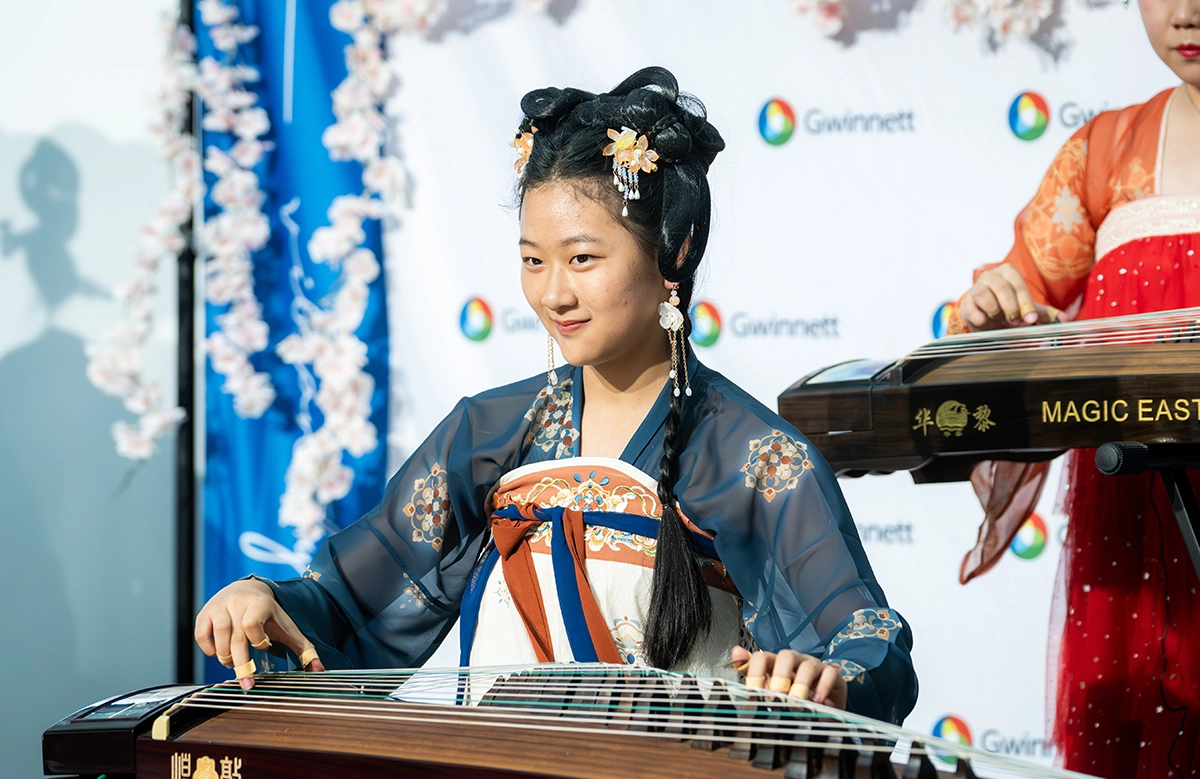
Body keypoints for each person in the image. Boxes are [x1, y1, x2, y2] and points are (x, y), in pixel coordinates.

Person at [195, 67, 918, 724]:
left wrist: (826, 676)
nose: (552, 292)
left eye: (582, 259)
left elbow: (865, 638)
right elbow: (351, 599)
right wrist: (266, 600)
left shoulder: (756, 458)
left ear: (675, 251)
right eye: (533, 261)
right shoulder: (488, 432)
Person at [945, 0, 1200, 779]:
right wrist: (1000, 307)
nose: (1188, 11)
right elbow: (1019, 296)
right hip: (1134, 535)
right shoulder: (1102, 152)